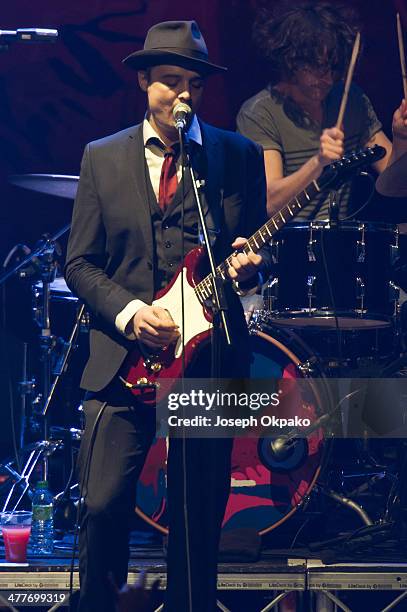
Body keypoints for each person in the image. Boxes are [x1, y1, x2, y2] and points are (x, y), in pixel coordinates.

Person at [65, 20, 270, 612]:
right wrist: (131, 313)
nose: (183, 95)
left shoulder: (238, 156)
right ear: (144, 82)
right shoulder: (101, 159)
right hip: (121, 356)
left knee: (196, 519)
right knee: (101, 505)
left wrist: (250, 268)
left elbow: (248, 257)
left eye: (194, 85)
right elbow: (79, 263)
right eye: (171, 83)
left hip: (209, 359)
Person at [237, 1, 394, 220]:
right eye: (318, 67)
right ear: (291, 60)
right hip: (283, 245)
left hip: (339, 243)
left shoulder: (350, 99)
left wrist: (402, 136)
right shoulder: (259, 113)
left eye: (334, 68)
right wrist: (318, 162)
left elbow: (394, 180)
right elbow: (271, 204)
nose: (328, 79)